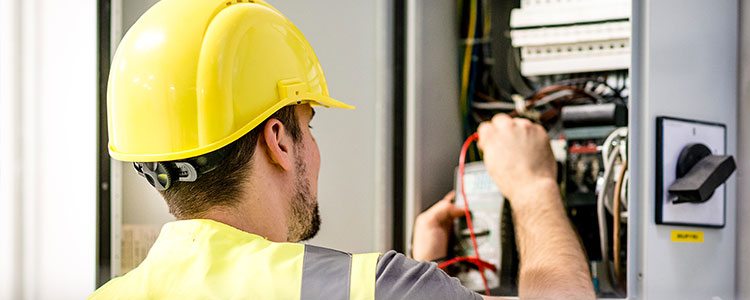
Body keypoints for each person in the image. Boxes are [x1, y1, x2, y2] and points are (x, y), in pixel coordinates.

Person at [90, 0, 594, 299]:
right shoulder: (379, 288)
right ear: (279, 141)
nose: (315, 148)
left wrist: (427, 268)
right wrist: (532, 187)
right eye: (309, 126)